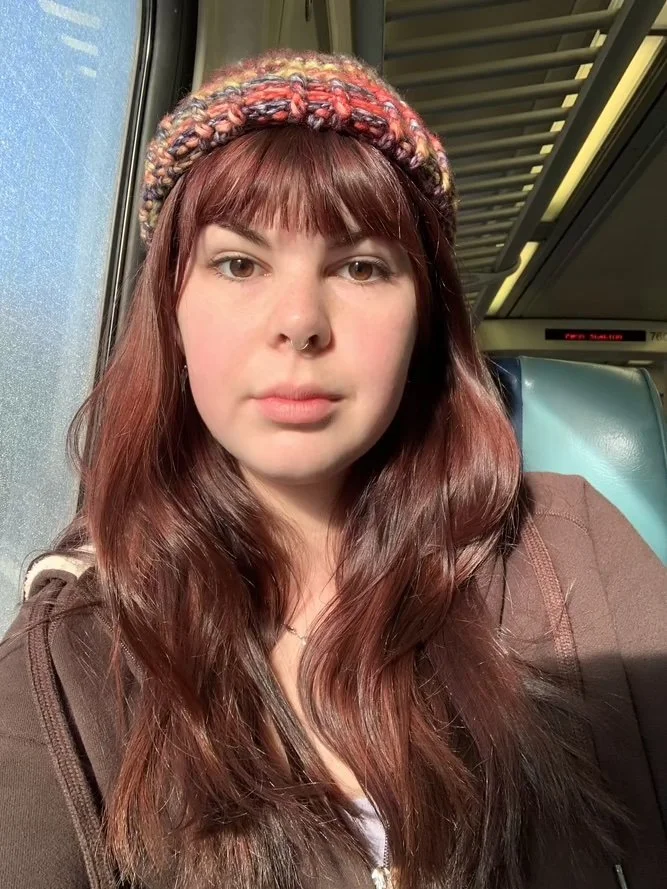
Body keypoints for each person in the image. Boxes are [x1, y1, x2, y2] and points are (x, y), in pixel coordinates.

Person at [0, 49, 665, 889]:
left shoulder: (571, 548)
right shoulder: (76, 646)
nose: (300, 322)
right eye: (238, 263)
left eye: (360, 266)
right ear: (171, 309)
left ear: (424, 320)